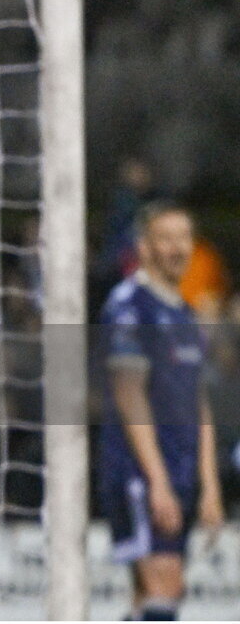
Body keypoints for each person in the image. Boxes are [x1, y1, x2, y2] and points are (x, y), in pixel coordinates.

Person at [98, 202, 225, 621]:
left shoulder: (185, 313)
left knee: (159, 593)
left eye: (184, 237)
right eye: (166, 238)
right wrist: (157, 481)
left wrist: (208, 484)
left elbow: (199, 402)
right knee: (163, 584)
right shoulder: (129, 306)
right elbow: (128, 395)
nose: (178, 247)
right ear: (145, 247)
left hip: (183, 468)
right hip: (140, 470)